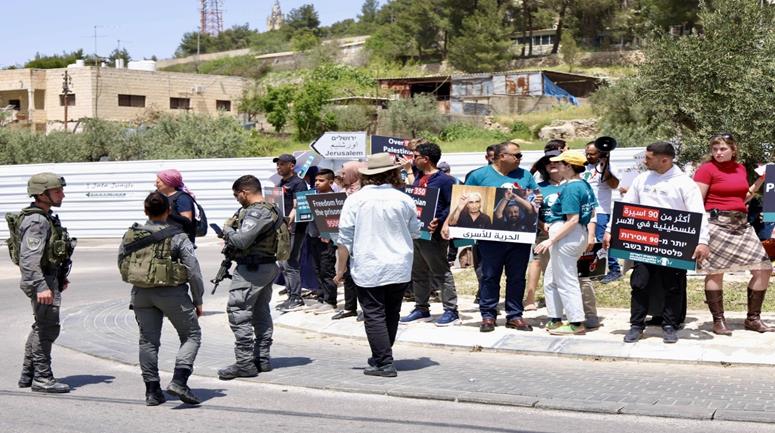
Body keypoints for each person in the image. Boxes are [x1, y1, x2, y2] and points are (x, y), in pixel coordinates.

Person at [604, 142, 710, 344]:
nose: (644, 161)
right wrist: (610, 229)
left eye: (648, 157)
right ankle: (636, 325)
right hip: (644, 243)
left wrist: (703, 241)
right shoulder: (641, 179)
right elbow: (626, 206)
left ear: (665, 159)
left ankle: (669, 325)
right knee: (639, 283)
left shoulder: (685, 184)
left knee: (673, 286)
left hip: (675, 245)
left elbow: (698, 213)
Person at [335, 153, 422, 377]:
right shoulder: (404, 199)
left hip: (369, 265)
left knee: (374, 314)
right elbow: (415, 232)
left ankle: (384, 362)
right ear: (393, 174)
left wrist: (340, 269)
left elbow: (344, 238)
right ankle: (380, 355)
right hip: (399, 265)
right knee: (391, 313)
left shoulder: (355, 200)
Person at [443, 141, 541, 333]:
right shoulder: (479, 175)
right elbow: (461, 198)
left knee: (517, 277)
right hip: (490, 239)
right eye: (517, 155)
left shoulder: (525, 175)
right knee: (489, 276)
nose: (520, 158)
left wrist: (537, 199)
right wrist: (447, 224)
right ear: (501, 156)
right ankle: (488, 315)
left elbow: (534, 199)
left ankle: (515, 315)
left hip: (519, 238)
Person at [118, 192, 204, 406]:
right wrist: (198, 298)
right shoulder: (178, 236)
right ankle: (179, 381)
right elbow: (192, 269)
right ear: (169, 211)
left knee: (148, 341)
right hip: (172, 294)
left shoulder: (131, 234)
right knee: (191, 335)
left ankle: (152, 391)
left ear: (146, 211)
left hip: (141, 294)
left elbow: (121, 262)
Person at [693, 134, 774, 334]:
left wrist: (760, 181)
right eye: (715, 149)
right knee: (715, 271)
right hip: (715, 224)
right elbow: (696, 202)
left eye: (723, 149)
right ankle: (718, 321)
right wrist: (699, 234)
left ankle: (753, 319)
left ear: (733, 150)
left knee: (763, 268)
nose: (718, 153)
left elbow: (742, 197)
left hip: (742, 225)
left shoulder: (739, 168)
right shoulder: (706, 169)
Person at [218, 175, 282, 380]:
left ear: (245, 192)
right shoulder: (269, 209)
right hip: (264, 267)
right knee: (260, 312)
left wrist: (226, 230)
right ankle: (262, 358)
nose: (237, 199)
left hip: (252, 270)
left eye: (237, 195)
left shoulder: (256, 211)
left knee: (239, 312)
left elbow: (243, 240)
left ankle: (245, 363)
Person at [15, 173, 75, 393]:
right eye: (57, 191)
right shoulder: (37, 221)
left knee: (41, 325)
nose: (62, 195)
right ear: (42, 194)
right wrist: (41, 286)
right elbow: (29, 259)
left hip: (48, 277)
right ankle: (42, 377)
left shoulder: (45, 216)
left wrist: (60, 276)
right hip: (41, 280)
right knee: (48, 328)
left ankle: (28, 374)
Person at [534, 151, 597, 335]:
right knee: (551, 278)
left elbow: (572, 219)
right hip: (573, 235)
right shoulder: (583, 184)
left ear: (569, 166)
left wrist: (551, 240)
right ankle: (555, 318)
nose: (556, 167)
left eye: (560, 164)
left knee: (566, 280)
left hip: (566, 236)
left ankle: (576, 322)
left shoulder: (571, 188)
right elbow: (591, 212)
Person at [400, 142, 460, 326]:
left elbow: (453, 204)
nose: (413, 158)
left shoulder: (445, 180)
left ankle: (451, 310)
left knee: (440, 272)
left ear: (426, 159)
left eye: (415, 156)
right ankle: (421, 308)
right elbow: (414, 195)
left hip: (433, 235)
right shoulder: (418, 175)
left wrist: (441, 221)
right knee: (418, 271)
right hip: (416, 232)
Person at [331, 161, 368, 321]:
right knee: (347, 274)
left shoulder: (363, 192)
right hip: (346, 239)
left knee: (362, 275)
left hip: (362, 238)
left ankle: (366, 309)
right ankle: (349, 307)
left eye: (345, 173)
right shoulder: (344, 191)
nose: (342, 176)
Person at [273, 154, 309, 312]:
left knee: (290, 262)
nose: (278, 167)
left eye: (282, 164)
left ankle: (296, 298)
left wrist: (289, 222)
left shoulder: (298, 183)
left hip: (294, 229)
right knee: (283, 262)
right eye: (278, 164)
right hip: (282, 228)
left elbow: (297, 206)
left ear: (291, 166)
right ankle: (290, 295)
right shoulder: (282, 182)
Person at [584, 142, 622, 284]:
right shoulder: (582, 167)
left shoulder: (609, 166)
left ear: (600, 153)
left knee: (602, 240)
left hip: (600, 210)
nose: (589, 156)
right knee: (589, 241)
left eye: (592, 153)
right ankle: (594, 270)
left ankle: (614, 269)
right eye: (587, 153)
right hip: (585, 209)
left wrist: (605, 166)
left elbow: (614, 185)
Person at [305, 169, 339, 315]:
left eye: (321, 181)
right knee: (317, 269)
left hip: (328, 240)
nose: (317, 183)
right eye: (316, 181)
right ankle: (321, 297)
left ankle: (331, 301)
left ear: (331, 182)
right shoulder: (312, 196)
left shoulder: (335, 198)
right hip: (313, 236)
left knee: (327, 269)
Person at [155, 169, 198, 245]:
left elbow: (187, 220)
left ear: (168, 182)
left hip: (181, 244)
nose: (155, 184)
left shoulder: (182, 198)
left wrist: (169, 213)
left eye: (158, 182)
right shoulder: (164, 198)